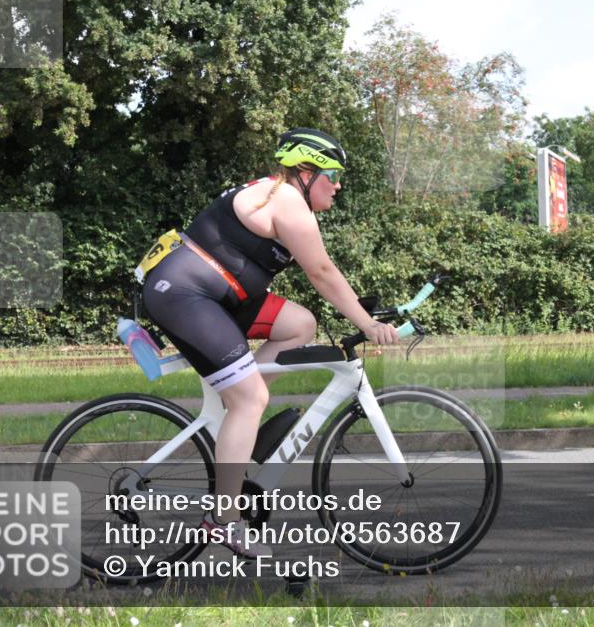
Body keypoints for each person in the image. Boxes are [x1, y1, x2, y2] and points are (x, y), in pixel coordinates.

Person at [140, 128, 400, 557]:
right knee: (250, 398)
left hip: (220, 293)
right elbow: (322, 272)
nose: (338, 185)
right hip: (187, 294)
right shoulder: (287, 202)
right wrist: (368, 324)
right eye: (332, 174)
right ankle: (223, 519)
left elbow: (321, 277)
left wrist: (363, 313)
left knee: (300, 324)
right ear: (305, 172)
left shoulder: (280, 196)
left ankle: (238, 421)